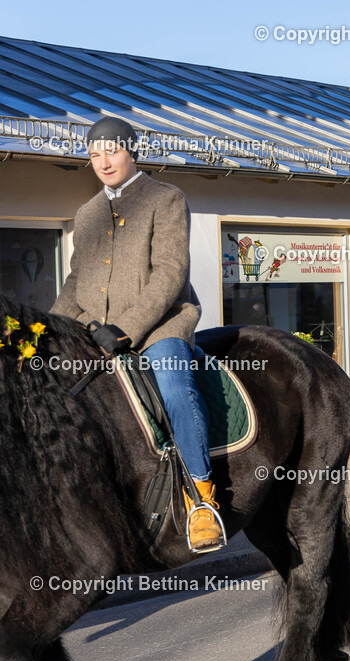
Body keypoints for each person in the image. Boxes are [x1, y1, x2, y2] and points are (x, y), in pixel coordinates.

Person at [50, 116, 223, 553]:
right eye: (94, 155)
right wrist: (43, 330)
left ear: (131, 150)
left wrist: (125, 329)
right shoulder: (87, 213)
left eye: (111, 151)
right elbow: (76, 282)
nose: (103, 162)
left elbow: (169, 273)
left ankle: (202, 498)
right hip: (97, 330)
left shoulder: (165, 199)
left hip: (161, 325)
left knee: (173, 388)